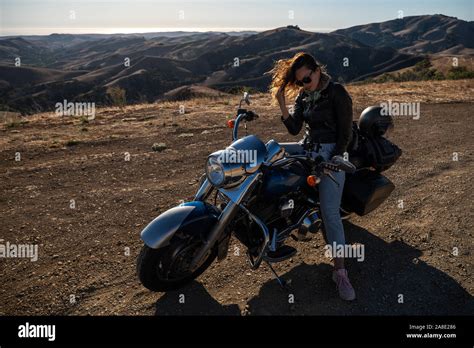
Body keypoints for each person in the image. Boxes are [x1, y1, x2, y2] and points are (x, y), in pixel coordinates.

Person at [269, 52, 356, 301]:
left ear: (317, 71)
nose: (303, 85)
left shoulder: (337, 92)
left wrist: (334, 161)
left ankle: (340, 272)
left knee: (330, 213)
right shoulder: (305, 95)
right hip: (308, 147)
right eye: (299, 82)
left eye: (307, 79)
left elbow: (346, 134)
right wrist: (283, 105)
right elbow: (295, 129)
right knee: (270, 150)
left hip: (332, 153)